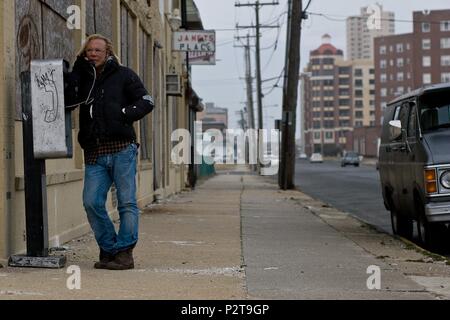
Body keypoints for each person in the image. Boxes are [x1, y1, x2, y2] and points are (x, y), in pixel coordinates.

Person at [65, 34, 154, 270]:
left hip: (121, 149)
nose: (93, 54)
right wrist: (76, 72)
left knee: (126, 203)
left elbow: (147, 101)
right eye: (89, 50)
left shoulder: (124, 74)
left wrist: (124, 114)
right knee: (91, 202)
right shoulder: (84, 77)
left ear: (108, 53)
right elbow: (68, 101)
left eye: (97, 50)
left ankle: (124, 253)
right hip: (94, 151)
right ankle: (109, 248)